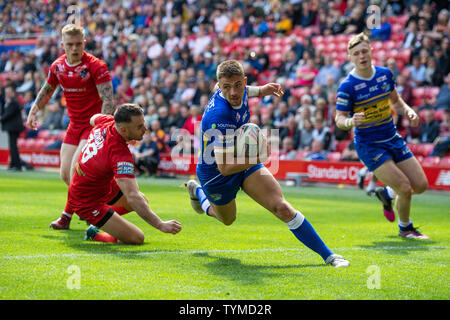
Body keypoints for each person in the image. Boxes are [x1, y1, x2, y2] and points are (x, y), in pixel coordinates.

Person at [185, 60, 349, 268]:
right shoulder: (219, 114)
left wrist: (262, 90)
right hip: (216, 174)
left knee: (281, 207)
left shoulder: (236, 89)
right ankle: (199, 193)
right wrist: (260, 158)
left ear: (244, 82)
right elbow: (225, 167)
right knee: (226, 219)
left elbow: (244, 90)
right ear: (219, 86)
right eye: (227, 87)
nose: (233, 92)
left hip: (243, 159)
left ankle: (329, 256)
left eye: (237, 85)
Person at [335, 33, 429, 239]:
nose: (361, 56)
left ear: (371, 51)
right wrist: (350, 122)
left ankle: (387, 194)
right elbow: (338, 119)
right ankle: (406, 228)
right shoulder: (347, 86)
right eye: (356, 53)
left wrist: (409, 111)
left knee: (421, 186)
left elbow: (396, 103)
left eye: (364, 51)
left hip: (392, 138)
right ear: (350, 57)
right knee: (404, 187)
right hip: (370, 145)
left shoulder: (385, 74)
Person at [26, 24, 115, 230]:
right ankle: (95, 204)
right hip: (74, 126)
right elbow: (47, 89)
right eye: (70, 45)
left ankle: (66, 216)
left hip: (92, 127)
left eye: (78, 44)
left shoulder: (96, 66)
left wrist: (101, 127)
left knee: (76, 172)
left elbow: (108, 100)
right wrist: (33, 110)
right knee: (65, 175)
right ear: (62, 45)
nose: (74, 48)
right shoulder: (58, 66)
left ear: (84, 44)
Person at [67, 103, 181, 243]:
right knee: (137, 238)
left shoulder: (107, 122)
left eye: (144, 123)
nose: (145, 129)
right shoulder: (120, 154)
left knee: (142, 200)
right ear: (123, 129)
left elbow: (93, 118)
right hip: (86, 201)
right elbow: (132, 195)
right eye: (139, 127)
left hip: (99, 186)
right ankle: (95, 233)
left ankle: (102, 222)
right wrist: (160, 224)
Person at [0, 84, 31, 171]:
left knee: (13, 146)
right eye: (6, 92)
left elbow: (8, 114)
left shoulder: (14, 102)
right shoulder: (8, 101)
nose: (7, 93)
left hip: (14, 127)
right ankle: (13, 164)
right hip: (11, 127)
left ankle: (17, 165)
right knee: (12, 146)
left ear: (13, 92)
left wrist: (1, 118)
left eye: (8, 92)